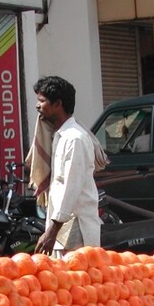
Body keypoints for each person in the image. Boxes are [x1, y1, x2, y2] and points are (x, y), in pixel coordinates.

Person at [32, 76, 101, 254]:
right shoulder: (60, 136)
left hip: (77, 226)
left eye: (42, 101)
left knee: (76, 278)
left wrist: (51, 232)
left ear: (58, 104)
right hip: (64, 226)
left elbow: (72, 187)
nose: (37, 106)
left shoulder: (74, 139)